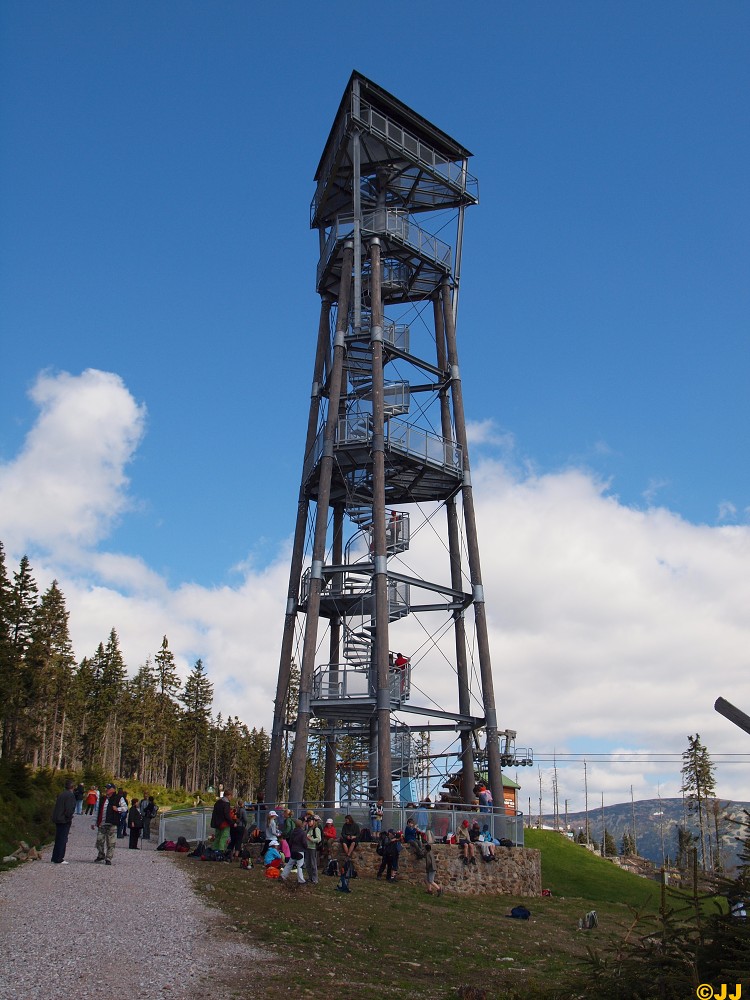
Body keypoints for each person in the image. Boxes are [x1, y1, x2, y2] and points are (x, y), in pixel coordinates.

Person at [51, 777, 76, 864]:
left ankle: (54, 857)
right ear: (72, 787)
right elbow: (69, 809)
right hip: (64, 820)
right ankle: (59, 858)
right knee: (63, 839)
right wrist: (68, 817)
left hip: (58, 818)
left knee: (58, 838)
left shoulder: (61, 794)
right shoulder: (70, 795)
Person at [93, 783, 119, 865]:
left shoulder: (118, 798)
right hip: (102, 823)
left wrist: (117, 809)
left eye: (108, 788)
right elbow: (97, 811)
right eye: (106, 788)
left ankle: (108, 858)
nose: (107, 790)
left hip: (112, 823)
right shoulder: (103, 799)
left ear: (113, 789)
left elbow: (125, 808)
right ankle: (101, 854)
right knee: (99, 840)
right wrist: (94, 822)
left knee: (111, 842)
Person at [280, 819, 307, 884]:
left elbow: (290, 842)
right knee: (299, 866)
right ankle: (301, 880)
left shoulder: (293, 832)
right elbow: (304, 842)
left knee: (289, 864)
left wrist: (291, 849)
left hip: (293, 850)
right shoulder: (302, 833)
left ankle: (283, 876)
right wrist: (306, 847)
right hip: (300, 851)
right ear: (301, 825)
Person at [305, 815, 321, 884]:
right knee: (308, 863)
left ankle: (315, 879)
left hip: (313, 848)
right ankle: (310, 877)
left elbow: (318, 839)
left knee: (313, 863)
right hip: (307, 847)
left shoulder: (316, 829)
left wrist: (311, 839)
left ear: (313, 821)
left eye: (310, 821)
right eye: (308, 821)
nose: (309, 823)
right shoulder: (309, 829)